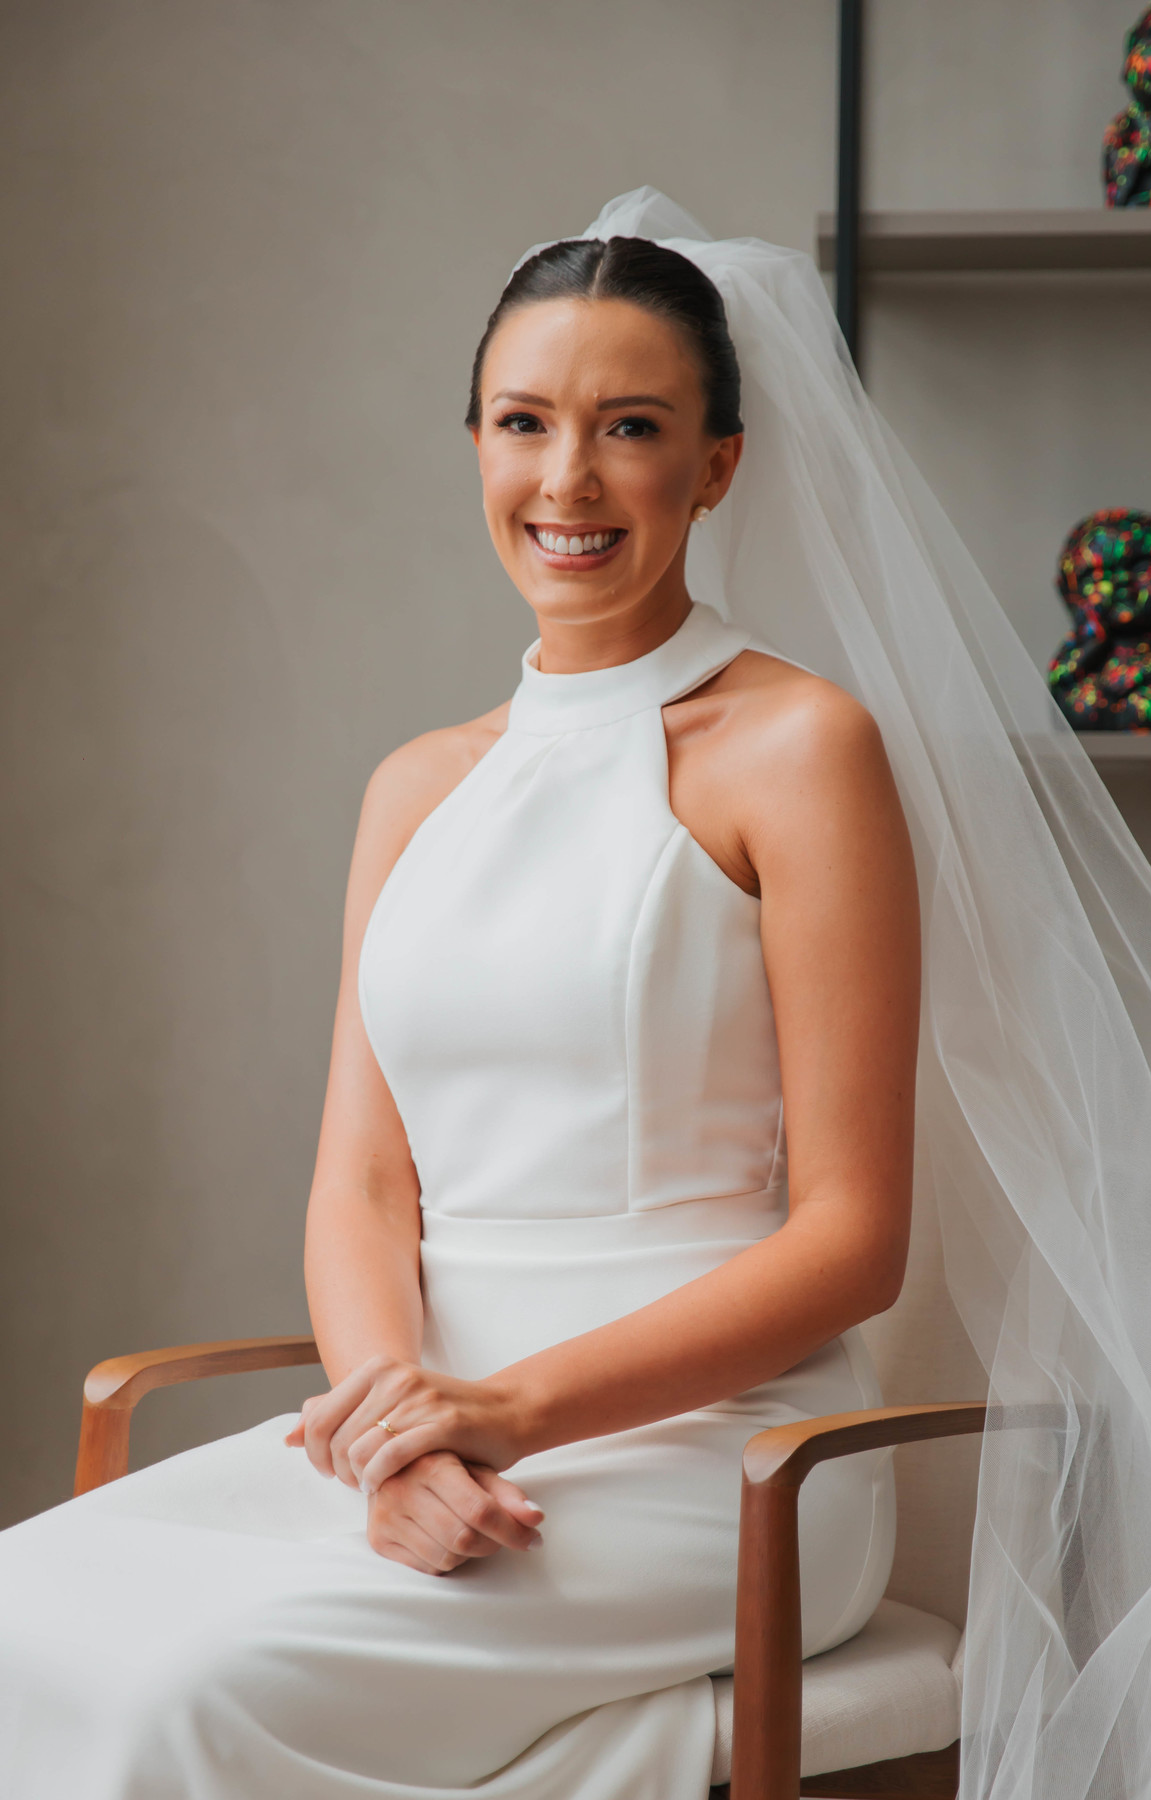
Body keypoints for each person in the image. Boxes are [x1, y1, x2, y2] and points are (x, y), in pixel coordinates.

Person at [0, 223, 919, 1797]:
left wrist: (509, 1412)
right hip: (418, 1431)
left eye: (631, 427)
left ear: (716, 466)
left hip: (723, 1462)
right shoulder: (417, 787)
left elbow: (856, 1239)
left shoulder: (800, 749)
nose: (568, 479)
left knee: (182, 1705)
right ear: (477, 446)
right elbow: (362, 1189)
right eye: (524, 422)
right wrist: (400, 1440)